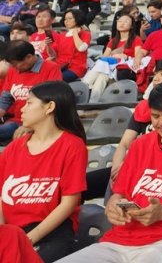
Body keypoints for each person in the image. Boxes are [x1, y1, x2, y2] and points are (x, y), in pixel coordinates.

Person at [59, 81, 162, 263]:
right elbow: (119, 192)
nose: (161, 123)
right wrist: (113, 207)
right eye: (155, 116)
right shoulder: (140, 144)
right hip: (119, 240)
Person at [84, 57, 162, 202]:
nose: (156, 78)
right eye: (156, 74)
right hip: (132, 165)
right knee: (81, 185)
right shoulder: (144, 107)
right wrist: (118, 166)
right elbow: (125, 143)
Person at [0, 81, 87, 262]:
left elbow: (69, 203)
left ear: (49, 107)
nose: (22, 109)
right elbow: (1, 198)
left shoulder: (73, 146)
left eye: (29, 103)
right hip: (12, 230)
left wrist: (28, 239)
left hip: (50, 233)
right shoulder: (13, 148)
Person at [0, 41, 62, 143]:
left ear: (29, 57)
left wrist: (33, 126)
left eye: (16, 64)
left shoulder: (51, 68)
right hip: (16, 121)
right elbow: (6, 99)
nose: (14, 67)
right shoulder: (13, 70)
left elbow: (53, 103)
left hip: (40, 124)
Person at [52, 8, 91, 82]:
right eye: (65, 19)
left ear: (78, 19)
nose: (66, 21)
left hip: (76, 68)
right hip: (59, 65)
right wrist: (48, 45)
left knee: (56, 78)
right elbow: (53, 52)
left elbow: (81, 48)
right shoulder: (62, 35)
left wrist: (75, 34)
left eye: (70, 18)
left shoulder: (85, 33)